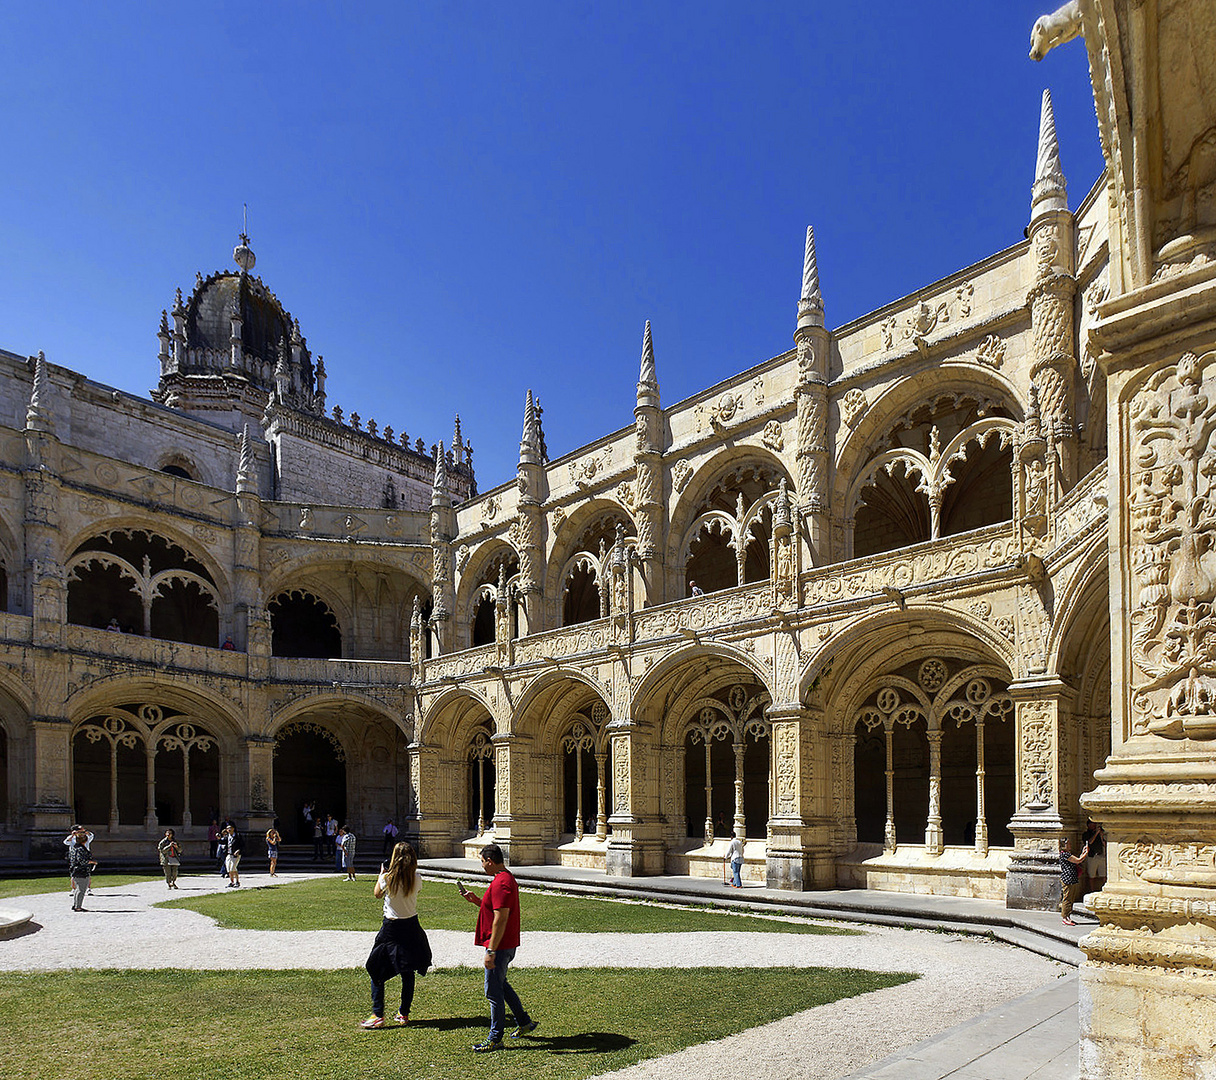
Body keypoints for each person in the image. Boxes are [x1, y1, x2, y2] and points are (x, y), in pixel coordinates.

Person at [458, 843, 537, 1052]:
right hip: (505, 944)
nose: (482, 866)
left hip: (500, 945)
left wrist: (491, 950)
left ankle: (495, 1037)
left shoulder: (502, 882)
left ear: (490, 861)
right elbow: (495, 908)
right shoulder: (504, 877)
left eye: (482, 862)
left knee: (493, 991)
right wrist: (476, 900)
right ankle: (524, 1022)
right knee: (501, 985)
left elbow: (500, 918)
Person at [360, 841, 432, 1029]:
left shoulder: (388, 878)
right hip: (411, 926)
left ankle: (377, 1013)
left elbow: (377, 894)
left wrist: (380, 875)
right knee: (407, 971)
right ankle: (403, 1013)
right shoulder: (417, 878)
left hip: (391, 927)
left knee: (375, 967)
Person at [1059, 836, 1088, 925]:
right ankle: (1064, 916)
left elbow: (1077, 859)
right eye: (1068, 844)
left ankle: (1068, 916)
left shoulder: (1067, 854)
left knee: (1071, 898)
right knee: (1067, 898)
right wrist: (1086, 853)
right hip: (1067, 878)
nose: (1070, 845)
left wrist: (1083, 852)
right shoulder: (1065, 854)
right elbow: (1078, 860)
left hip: (1071, 877)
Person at [64, 825, 95, 896]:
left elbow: (91, 836)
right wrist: (72, 835)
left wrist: (85, 832)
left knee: (87, 872)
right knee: (74, 873)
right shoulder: (72, 838)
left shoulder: (86, 837)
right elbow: (66, 842)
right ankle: (74, 889)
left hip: (85, 856)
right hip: (75, 857)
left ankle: (88, 889)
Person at [68, 838, 96, 912]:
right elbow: (81, 860)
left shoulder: (74, 848)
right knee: (81, 889)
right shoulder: (81, 849)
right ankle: (78, 907)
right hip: (81, 871)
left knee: (78, 889)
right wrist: (91, 862)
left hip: (75, 870)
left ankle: (76, 904)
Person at [1082, 819, 1106, 894]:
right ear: (1089, 825)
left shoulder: (1100, 834)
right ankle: (1092, 890)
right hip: (1092, 856)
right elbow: (1089, 842)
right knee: (1092, 875)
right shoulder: (1086, 834)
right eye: (1092, 824)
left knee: (1103, 874)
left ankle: (1104, 889)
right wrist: (1096, 833)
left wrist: (1101, 836)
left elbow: (1104, 844)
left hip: (1100, 855)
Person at [224, 823, 244, 887]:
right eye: (227, 828)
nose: (229, 829)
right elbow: (222, 842)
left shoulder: (237, 836)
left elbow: (242, 844)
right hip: (228, 854)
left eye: (230, 828)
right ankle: (231, 882)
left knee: (233, 868)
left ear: (233, 829)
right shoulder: (227, 836)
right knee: (229, 869)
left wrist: (238, 850)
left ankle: (237, 881)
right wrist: (219, 838)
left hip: (235, 855)